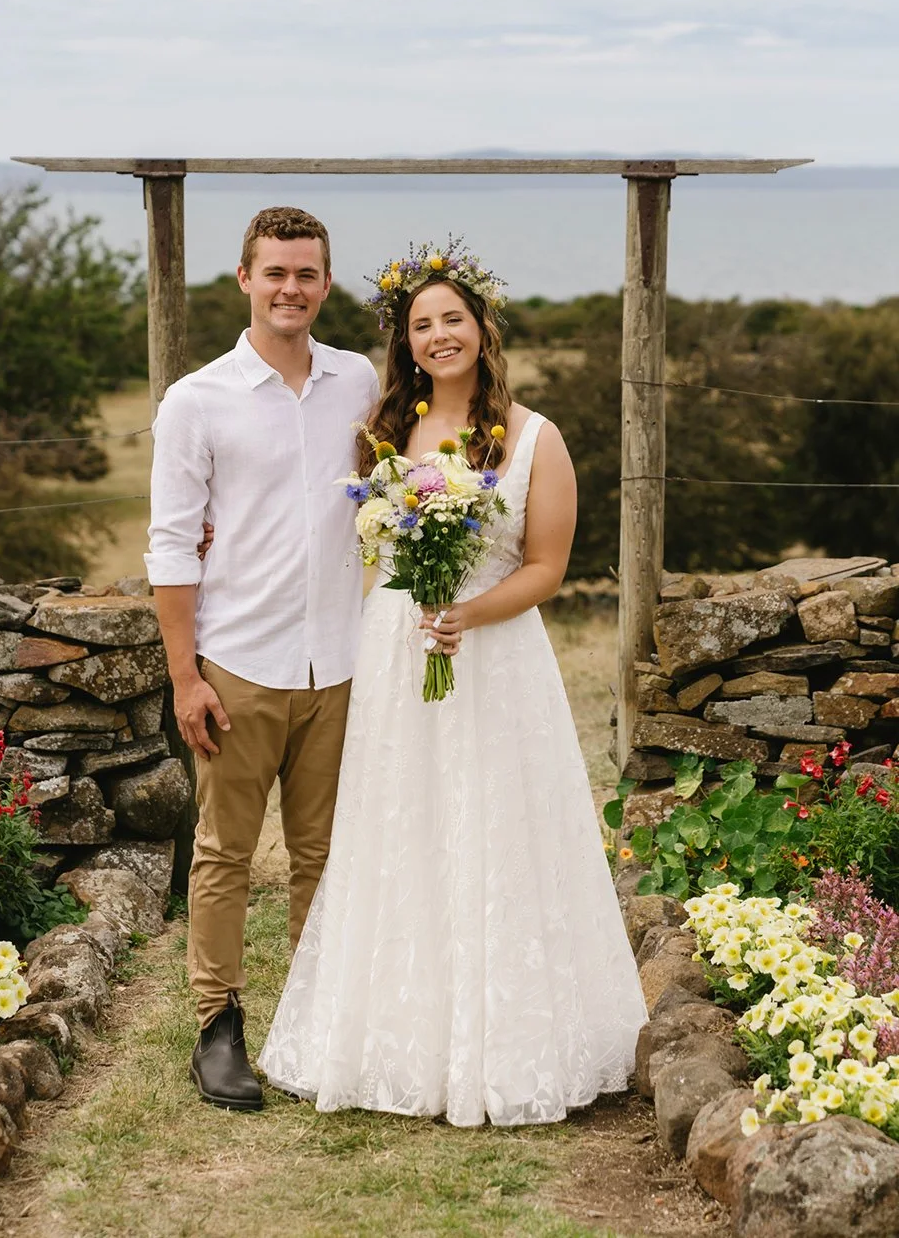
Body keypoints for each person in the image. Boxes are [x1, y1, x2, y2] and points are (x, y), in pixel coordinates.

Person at [259, 242, 647, 1126]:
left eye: (453, 320)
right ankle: (399, 1032)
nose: (438, 336)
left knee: (498, 829)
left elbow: (548, 566)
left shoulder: (536, 437)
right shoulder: (385, 433)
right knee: (403, 826)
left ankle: (508, 1042)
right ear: (405, 340)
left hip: (498, 658)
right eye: (420, 324)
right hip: (401, 653)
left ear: (482, 330)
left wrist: (468, 614)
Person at [145, 206, 379, 1112]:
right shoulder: (197, 400)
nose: (291, 288)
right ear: (244, 278)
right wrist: (184, 676)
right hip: (239, 663)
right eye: (274, 272)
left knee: (327, 855)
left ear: (325, 284)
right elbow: (171, 547)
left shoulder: (357, 381)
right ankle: (218, 1026)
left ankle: (317, 1023)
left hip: (343, 664)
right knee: (224, 854)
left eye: (307, 274)